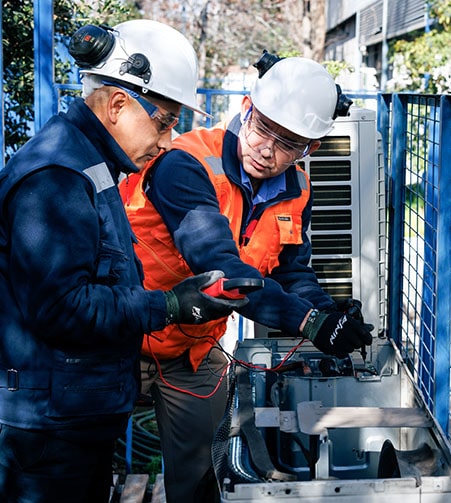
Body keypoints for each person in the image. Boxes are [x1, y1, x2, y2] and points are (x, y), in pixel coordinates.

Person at [0, 20, 247, 503]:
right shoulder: (56, 177)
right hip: (49, 434)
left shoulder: (89, 163)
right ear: (118, 105)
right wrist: (171, 306)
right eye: (164, 121)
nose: (170, 140)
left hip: (72, 418)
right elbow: (61, 308)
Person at [121, 51, 374, 502]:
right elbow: (220, 268)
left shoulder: (297, 188)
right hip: (121, 334)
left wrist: (329, 313)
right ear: (245, 108)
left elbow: (294, 271)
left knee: (204, 480)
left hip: (191, 349)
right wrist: (310, 323)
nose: (267, 149)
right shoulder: (186, 163)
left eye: (288, 143)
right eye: (262, 129)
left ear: (309, 149)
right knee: (78, 469)